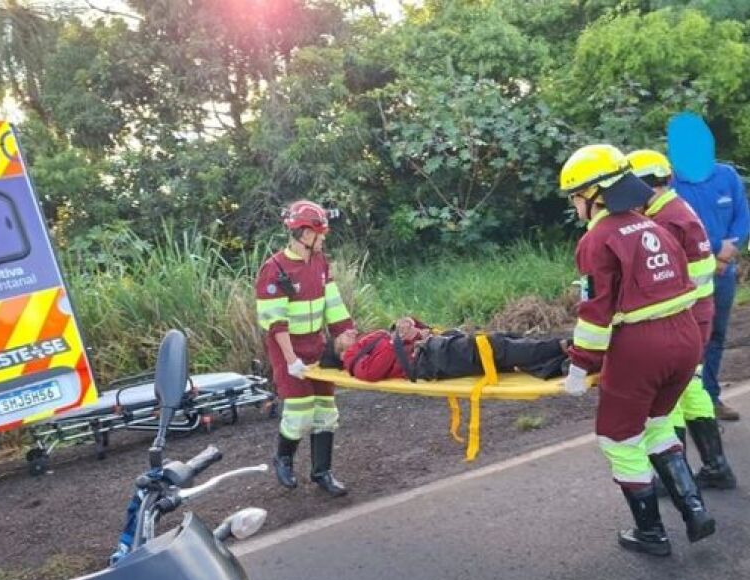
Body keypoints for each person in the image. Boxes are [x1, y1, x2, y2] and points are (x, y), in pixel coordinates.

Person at [560, 143, 714, 556]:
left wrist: (580, 367)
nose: (575, 206)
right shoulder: (653, 225)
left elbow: (596, 314)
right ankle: (695, 509)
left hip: (641, 348)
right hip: (685, 339)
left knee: (619, 439)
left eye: (575, 197)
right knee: (659, 424)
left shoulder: (598, 241)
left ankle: (651, 534)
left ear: (593, 195)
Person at [627, 149, 736, 490]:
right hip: (697, 316)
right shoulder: (676, 208)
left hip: (682, 319)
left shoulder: (663, 222)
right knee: (692, 389)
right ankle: (716, 467)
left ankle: (673, 478)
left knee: (668, 395)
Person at [255, 200, 356, 497]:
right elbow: (275, 323)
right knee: (299, 414)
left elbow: (333, 304)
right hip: (288, 346)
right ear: (301, 233)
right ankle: (283, 459)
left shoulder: (320, 262)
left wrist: (345, 336)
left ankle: (322, 472)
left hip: (316, 343)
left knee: (326, 412)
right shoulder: (274, 270)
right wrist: (290, 360)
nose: (323, 237)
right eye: (318, 232)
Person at [669, 119, 749, 421]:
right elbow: (675, 228)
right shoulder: (672, 184)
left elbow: (743, 216)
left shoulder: (726, 176)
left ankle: (710, 398)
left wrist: (730, 250)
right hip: (687, 281)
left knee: (717, 336)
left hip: (724, 275)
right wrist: (716, 248)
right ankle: (681, 403)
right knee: (689, 340)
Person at [324, 317, 570, 382]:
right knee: (493, 348)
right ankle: (562, 347)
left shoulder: (369, 341)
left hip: (432, 349)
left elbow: (402, 340)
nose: (349, 331)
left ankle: (561, 361)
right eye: (341, 338)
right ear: (341, 352)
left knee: (501, 343)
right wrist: (395, 338)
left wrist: (413, 326)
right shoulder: (355, 364)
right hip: (430, 360)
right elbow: (376, 371)